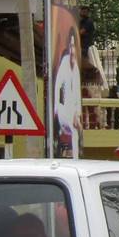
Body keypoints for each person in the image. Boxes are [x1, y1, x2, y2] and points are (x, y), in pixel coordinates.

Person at [52, 28, 82, 159]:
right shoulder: (64, 63)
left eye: (74, 46)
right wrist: (58, 109)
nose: (72, 50)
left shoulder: (76, 67)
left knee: (77, 129)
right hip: (63, 108)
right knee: (73, 129)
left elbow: (77, 93)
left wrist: (77, 113)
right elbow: (59, 87)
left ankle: (75, 156)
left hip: (73, 109)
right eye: (70, 46)